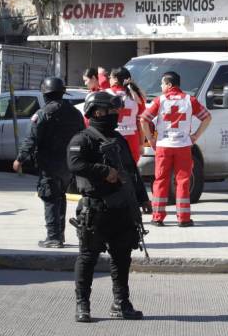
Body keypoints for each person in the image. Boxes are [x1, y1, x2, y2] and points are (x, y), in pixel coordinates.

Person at [67, 91, 151, 323]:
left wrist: (143, 197)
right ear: (97, 112)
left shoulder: (119, 139)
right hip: (95, 210)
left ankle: (121, 303)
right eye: (111, 111)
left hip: (122, 209)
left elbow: (131, 171)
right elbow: (75, 164)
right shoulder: (82, 139)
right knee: (88, 257)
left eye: (116, 111)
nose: (115, 115)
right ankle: (83, 305)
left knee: (122, 257)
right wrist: (104, 172)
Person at [13, 77, 84, 248]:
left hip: (49, 164)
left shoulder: (42, 114)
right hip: (68, 164)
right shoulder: (75, 113)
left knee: (50, 197)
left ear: (45, 94)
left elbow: (31, 139)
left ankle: (53, 237)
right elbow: (83, 136)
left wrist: (20, 159)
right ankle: (59, 235)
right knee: (60, 196)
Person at [140, 71, 212, 227]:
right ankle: (184, 218)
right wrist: (195, 136)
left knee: (160, 180)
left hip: (163, 146)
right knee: (183, 181)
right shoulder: (189, 100)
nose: (161, 86)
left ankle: (157, 217)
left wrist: (151, 139)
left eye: (162, 84)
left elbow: (143, 119)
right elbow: (207, 117)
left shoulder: (160, 100)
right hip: (183, 146)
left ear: (169, 85)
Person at [107, 67, 146, 165]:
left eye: (110, 77)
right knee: (131, 172)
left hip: (109, 138)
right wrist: (141, 143)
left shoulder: (104, 94)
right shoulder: (136, 97)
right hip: (132, 139)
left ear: (115, 79)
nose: (109, 79)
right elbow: (141, 122)